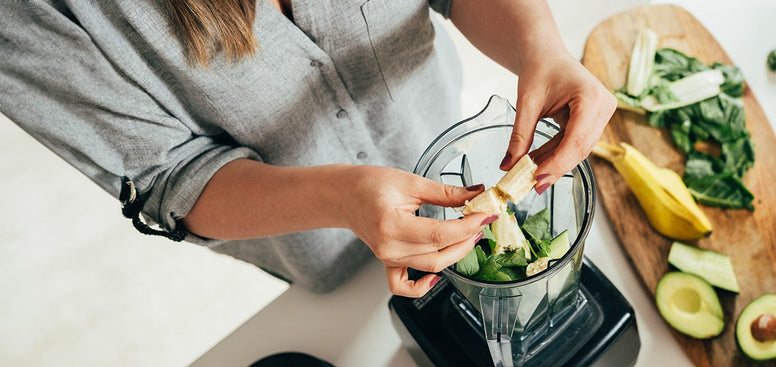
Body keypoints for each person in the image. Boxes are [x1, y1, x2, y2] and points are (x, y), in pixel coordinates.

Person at [0, 0, 615, 296]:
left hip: (432, 119)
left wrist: (543, 46)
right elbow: (167, 176)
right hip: (315, 242)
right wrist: (342, 198)